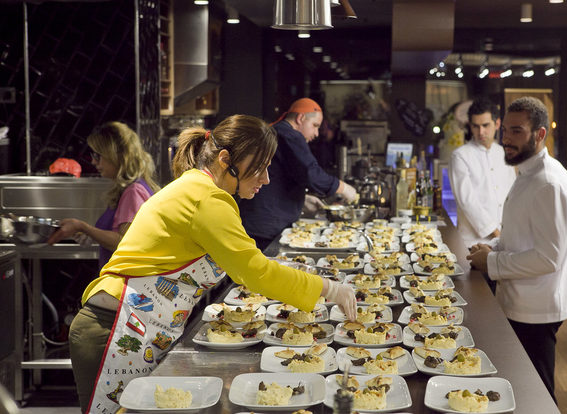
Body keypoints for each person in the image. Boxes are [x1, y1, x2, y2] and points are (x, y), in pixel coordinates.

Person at [68, 115, 357, 413]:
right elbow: (255, 272)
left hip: (133, 327)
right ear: (224, 159)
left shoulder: (199, 190)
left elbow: (247, 261)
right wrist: (330, 289)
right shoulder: (206, 200)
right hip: (112, 330)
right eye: (260, 167)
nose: (266, 178)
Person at [467, 97, 567, 403]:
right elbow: (521, 236)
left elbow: (548, 257)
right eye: (506, 131)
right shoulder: (528, 171)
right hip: (523, 297)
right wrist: (490, 249)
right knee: (520, 385)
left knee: (538, 394)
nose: (506, 139)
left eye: (517, 131)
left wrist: (491, 261)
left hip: (538, 304)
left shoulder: (549, 182)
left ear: (540, 135)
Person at [238, 98, 358, 250]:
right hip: (265, 227)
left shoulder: (276, 131)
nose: (316, 133)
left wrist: (301, 198)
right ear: (300, 118)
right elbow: (310, 172)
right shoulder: (288, 134)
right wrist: (343, 188)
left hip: (258, 222)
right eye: (315, 126)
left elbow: (279, 177)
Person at [47, 122, 159, 270]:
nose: (93, 162)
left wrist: (83, 227)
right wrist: (91, 235)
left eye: (97, 156)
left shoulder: (133, 192)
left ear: (115, 156)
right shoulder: (135, 187)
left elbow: (123, 242)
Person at [448, 97, 516, 248]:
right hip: (474, 242)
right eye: (475, 126)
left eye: (485, 125)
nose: (481, 132)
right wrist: (496, 234)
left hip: (505, 239)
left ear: (497, 124)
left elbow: (512, 194)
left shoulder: (505, 153)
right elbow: (467, 201)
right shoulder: (460, 156)